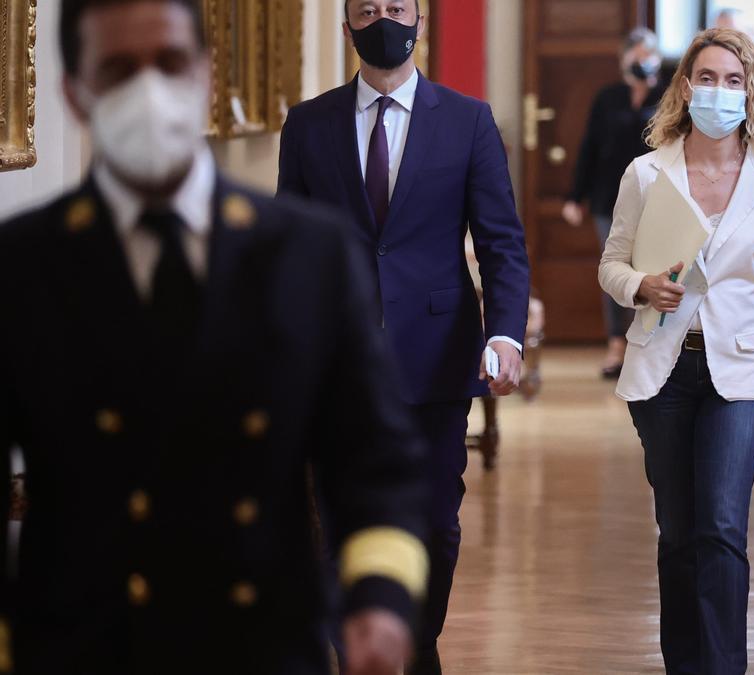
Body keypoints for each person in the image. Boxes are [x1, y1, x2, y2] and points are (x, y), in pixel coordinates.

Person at [0, 1, 430, 673]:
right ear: (74, 94)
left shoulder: (308, 256)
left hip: (264, 644)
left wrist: (378, 597)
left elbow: (376, 459)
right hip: (83, 647)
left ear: (204, 75)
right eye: (117, 70)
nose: (148, 92)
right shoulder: (24, 268)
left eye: (170, 63)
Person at [277, 1, 531, 672]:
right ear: (348, 27)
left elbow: (502, 243)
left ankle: (414, 643)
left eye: (397, 7)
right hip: (339, 363)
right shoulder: (308, 126)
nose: (383, 18)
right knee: (338, 525)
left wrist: (506, 333)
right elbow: (289, 251)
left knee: (434, 525)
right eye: (368, 8)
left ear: (418, 20)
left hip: (437, 358)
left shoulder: (469, 121)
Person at [599, 28, 754, 674]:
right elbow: (610, 265)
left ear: (752, 92)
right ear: (685, 87)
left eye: (733, 81)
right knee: (679, 533)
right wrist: (638, 285)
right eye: (707, 78)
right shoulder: (646, 174)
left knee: (724, 526)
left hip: (741, 370)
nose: (719, 92)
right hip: (663, 368)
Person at [562, 27, 664, 379]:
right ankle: (616, 344)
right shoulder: (607, 97)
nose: (640, 64)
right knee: (617, 270)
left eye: (646, 57)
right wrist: (575, 197)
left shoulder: (668, 96)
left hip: (658, 200)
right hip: (610, 198)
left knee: (651, 269)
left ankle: (648, 345)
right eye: (634, 58)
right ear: (623, 60)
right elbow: (589, 147)